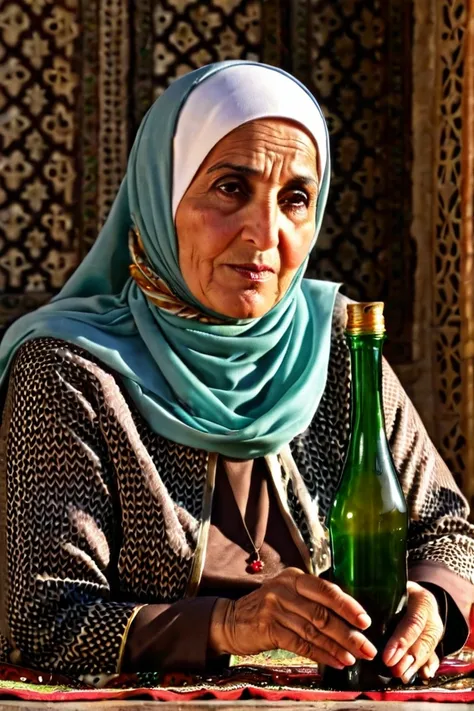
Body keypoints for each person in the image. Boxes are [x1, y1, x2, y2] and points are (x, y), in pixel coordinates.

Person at [0, 61, 472, 685]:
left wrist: (429, 603)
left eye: (295, 199)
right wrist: (231, 624)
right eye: (230, 188)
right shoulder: (72, 372)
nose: (264, 232)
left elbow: (451, 533)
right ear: (161, 195)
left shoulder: (335, 346)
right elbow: (44, 621)